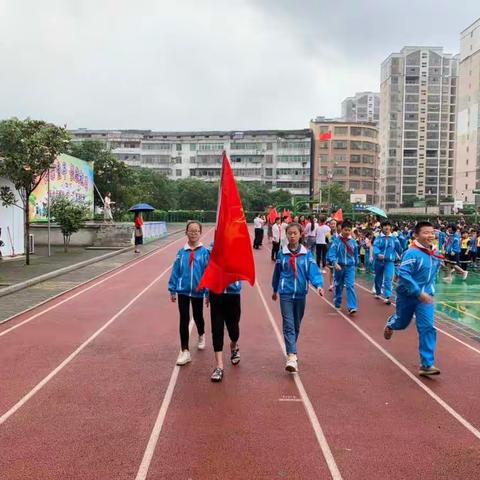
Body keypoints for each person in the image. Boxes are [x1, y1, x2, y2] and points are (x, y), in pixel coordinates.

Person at [384, 222, 443, 376]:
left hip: (426, 297)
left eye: (432, 232)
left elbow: (432, 274)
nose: (430, 235)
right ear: (416, 235)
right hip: (408, 295)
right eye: (425, 232)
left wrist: (429, 290)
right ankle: (391, 323)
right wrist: (417, 291)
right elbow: (403, 274)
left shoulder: (435, 253)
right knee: (402, 323)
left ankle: (426, 364)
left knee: (427, 327)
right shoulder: (412, 253)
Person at [272, 222, 324, 373]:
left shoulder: (306, 254)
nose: (292, 236)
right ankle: (292, 356)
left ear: (300, 234)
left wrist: (318, 285)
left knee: (296, 325)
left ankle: (291, 350)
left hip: (301, 294)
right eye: (289, 233)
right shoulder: (282, 254)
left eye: (295, 233)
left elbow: (312, 272)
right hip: (285, 294)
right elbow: (277, 273)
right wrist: (275, 289)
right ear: (286, 235)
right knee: (288, 324)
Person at [168, 221, 210, 366]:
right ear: (186, 232)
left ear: (200, 233)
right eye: (191, 231)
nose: (193, 233)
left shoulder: (205, 252)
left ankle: (201, 334)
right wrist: (172, 288)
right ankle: (185, 350)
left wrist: (208, 292)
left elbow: (208, 273)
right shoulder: (181, 252)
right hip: (183, 291)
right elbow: (176, 271)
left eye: (196, 231)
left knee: (198, 316)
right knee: (184, 319)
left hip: (198, 291)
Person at [209, 280, 242, 382]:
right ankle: (219, 366)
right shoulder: (212, 262)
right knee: (217, 329)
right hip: (216, 293)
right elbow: (207, 272)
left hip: (233, 294)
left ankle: (234, 344)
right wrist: (207, 291)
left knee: (234, 330)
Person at [328, 220, 359, 315]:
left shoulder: (353, 242)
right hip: (339, 267)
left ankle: (352, 307)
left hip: (350, 267)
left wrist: (355, 265)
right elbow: (331, 253)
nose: (347, 232)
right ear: (341, 229)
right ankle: (337, 301)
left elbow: (355, 255)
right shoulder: (337, 241)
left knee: (350, 286)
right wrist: (334, 263)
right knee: (338, 285)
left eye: (349, 230)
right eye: (345, 230)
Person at [373, 221, 402, 305]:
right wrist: (378, 254)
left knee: (388, 278)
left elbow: (400, 249)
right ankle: (378, 292)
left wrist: (399, 241)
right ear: (382, 228)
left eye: (388, 226)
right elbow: (375, 247)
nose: (387, 227)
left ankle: (387, 296)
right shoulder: (378, 238)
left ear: (390, 228)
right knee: (378, 278)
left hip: (389, 261)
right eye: (385, 226)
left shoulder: (394, 238)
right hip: (379, 261)